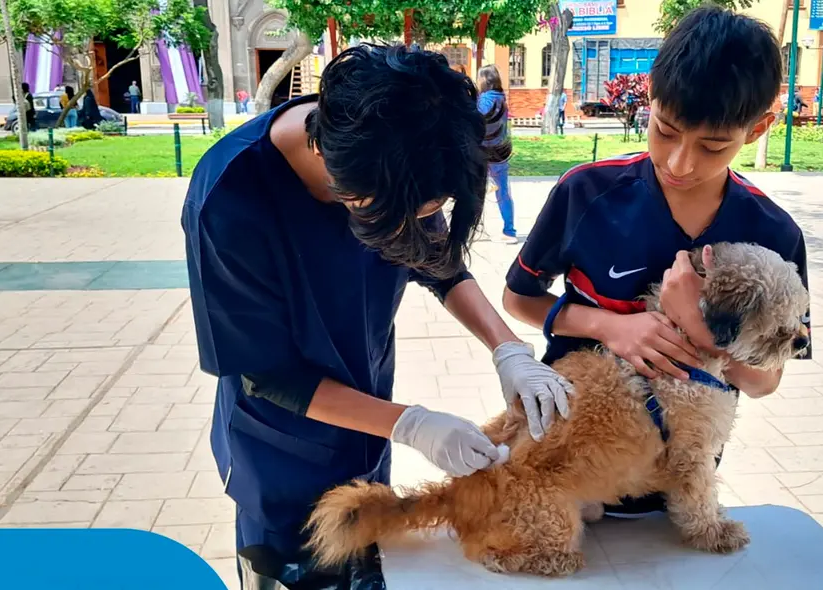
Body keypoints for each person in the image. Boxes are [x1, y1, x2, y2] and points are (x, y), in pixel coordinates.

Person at [181, 43, 573, 590]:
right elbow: (268, 373)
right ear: (336, 172)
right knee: (295, 572)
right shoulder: (230, 199)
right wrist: (410, 423)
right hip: (278, 452)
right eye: (407, 216)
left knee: (369, 561)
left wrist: (508, 350)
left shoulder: (406, 146)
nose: (415, 228)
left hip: (366, 427)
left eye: (430, 214)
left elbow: (439, 267)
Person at [502, 6, 811, 519]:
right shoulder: (587, 192)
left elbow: (765, 380)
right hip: (565, 464)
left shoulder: (773, 234)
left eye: (713, 146)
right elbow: (519, 298)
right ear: (649, 96)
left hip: (679, 485)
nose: (679, 163)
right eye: (665, 130)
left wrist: (697, 327)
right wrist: (610, 327)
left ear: (757, 129)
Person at [476, 65, 516, 244]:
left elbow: (476, 121)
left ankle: (475, 229)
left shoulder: (485, 100)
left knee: (476, 193)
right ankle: (509, 230)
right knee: (503, 192)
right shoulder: (501, 98)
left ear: (484, 80)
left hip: (483, 152)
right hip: (499, 151)